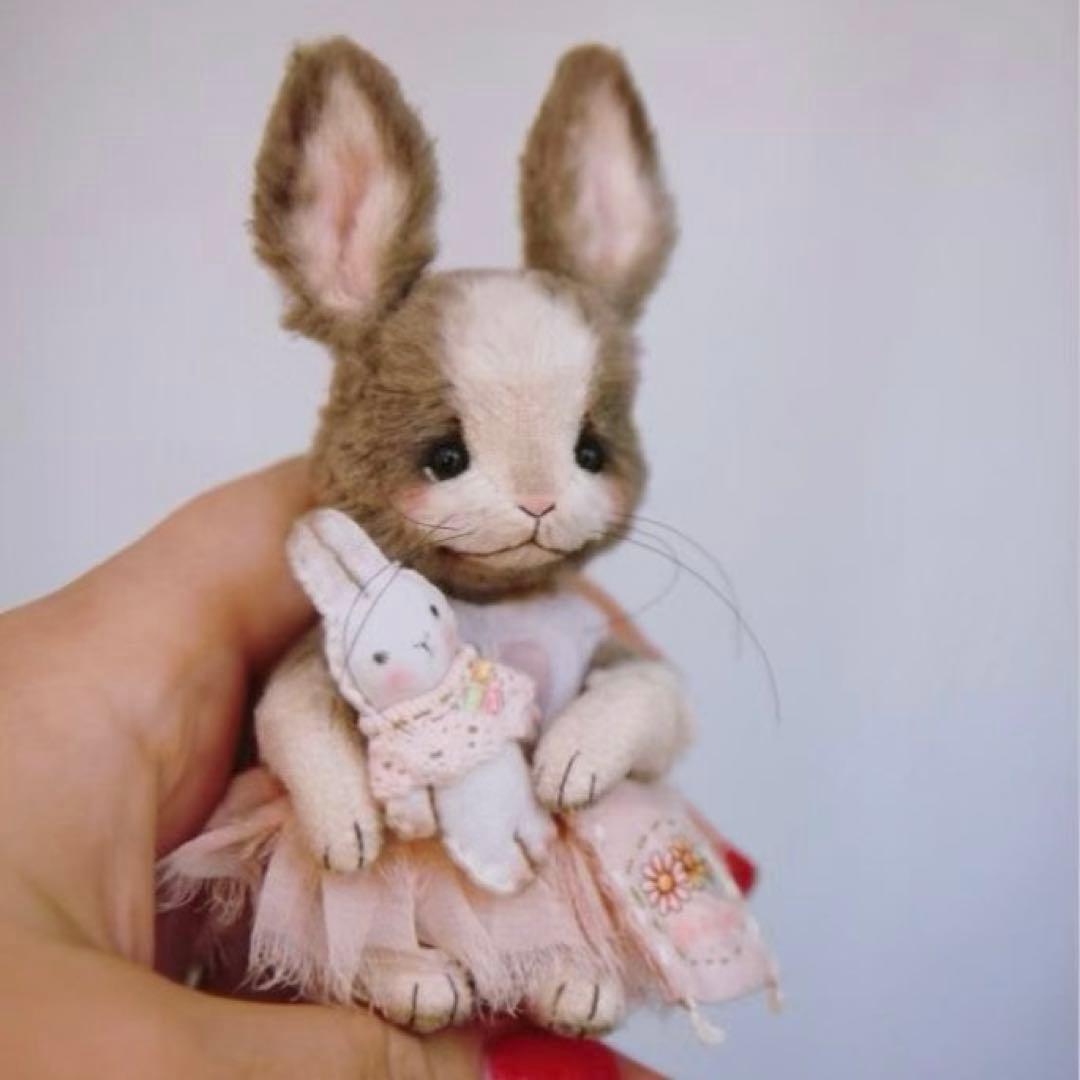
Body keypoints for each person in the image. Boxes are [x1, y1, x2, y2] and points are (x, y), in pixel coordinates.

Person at [0, 458, 725, 1078]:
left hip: (521, 821)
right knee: (354, 892)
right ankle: (390, 968)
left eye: (585, 455)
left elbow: (648, 689)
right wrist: (333, 788)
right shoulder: (347, 625)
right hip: (391, 838)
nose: (532, 505)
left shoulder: (561, 622)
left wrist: (613, 725)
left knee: (536, 871)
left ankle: (558, 966)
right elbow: (293, 710)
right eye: (450, 460)